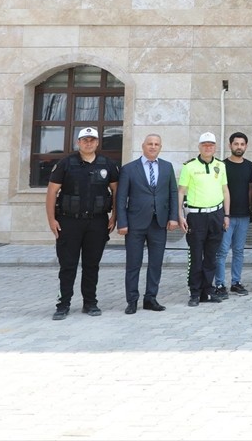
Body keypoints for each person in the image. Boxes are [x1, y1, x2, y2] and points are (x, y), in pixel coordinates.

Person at [45, 126, 119, 320]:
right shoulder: (66, 163)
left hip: (97, 222)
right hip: (69, 222)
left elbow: (116, 191)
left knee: (91, 265)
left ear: (97, 142)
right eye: (85, 140)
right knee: (67, 265)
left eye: (92, 140)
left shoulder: (107, 164)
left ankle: (90, 302)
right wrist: (51, 219)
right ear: (78, 142)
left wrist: (114, 216)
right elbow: (52, 192)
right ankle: (63, 304)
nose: (88, 143)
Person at [116, 133, 178, 314]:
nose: (153, 146)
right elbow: (121, 198)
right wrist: (122, 222)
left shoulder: (167, 167)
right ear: (143, 146)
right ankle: (132, 300)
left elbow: (173, 193)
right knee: (133, 263)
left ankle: (151, 298)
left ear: (160, 147)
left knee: (156, 263)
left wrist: (173, 217)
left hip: (159, 223)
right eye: (150, 143)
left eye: (156, 144)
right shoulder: (129, 169)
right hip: (135, 224)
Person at [178, 132, 230, 308]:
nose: (208, 148)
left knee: (211, 256)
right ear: (199, 147)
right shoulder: (189, 166)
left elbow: (225, 191)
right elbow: (181, 191)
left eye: (211, 145)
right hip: (196, 216)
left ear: (215, 147)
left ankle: (207, 290)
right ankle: (194, 292)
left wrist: (226, 215)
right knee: (195, 256)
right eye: (205, 145)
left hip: (216, 214)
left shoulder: (220, 166)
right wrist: (180, 215)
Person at [213, 131, 252, 298]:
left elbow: (250, 188)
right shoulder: (221, 165)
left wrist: (251, 209)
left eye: (242, 144)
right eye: (236, 144)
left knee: (239, 251)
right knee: (222, 251)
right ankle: (220, 284)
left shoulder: (249, 165)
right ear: (230, 145)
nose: (239, 147)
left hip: (244, 215)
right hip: (226, 216)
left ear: (246, 146)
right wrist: (224, 214)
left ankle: (236, 282)